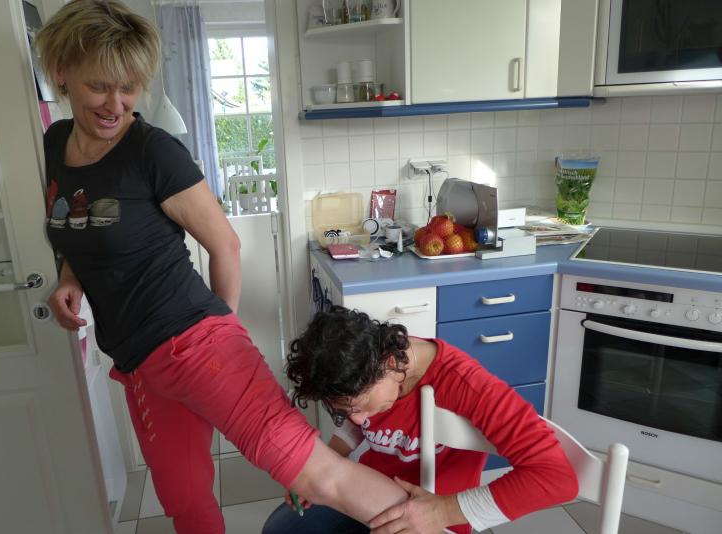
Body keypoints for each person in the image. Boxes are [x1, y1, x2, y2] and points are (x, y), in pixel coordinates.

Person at [34, 2, 412, 533]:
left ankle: (437, 523)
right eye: (99, 86)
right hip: (139, 364)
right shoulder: (53, 144)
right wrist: (70, 280)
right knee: (184, 502)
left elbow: (225, 245)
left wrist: (222, 334)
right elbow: (81, 230)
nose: (116, 104)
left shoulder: (152, 152)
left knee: (315, 476)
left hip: (198, 345)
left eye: (129, 88)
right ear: (61, 73)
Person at [262, 306, 579, 534]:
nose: (357, 418)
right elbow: (354, 420)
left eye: (360, 406)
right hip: (368, 491)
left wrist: (440, 511)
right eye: (344, 410)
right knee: (280, 529)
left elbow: (557, 477)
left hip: (433, 514)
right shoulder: (370, 363)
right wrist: (322, 468)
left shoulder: (465, 385)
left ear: (389, 364)